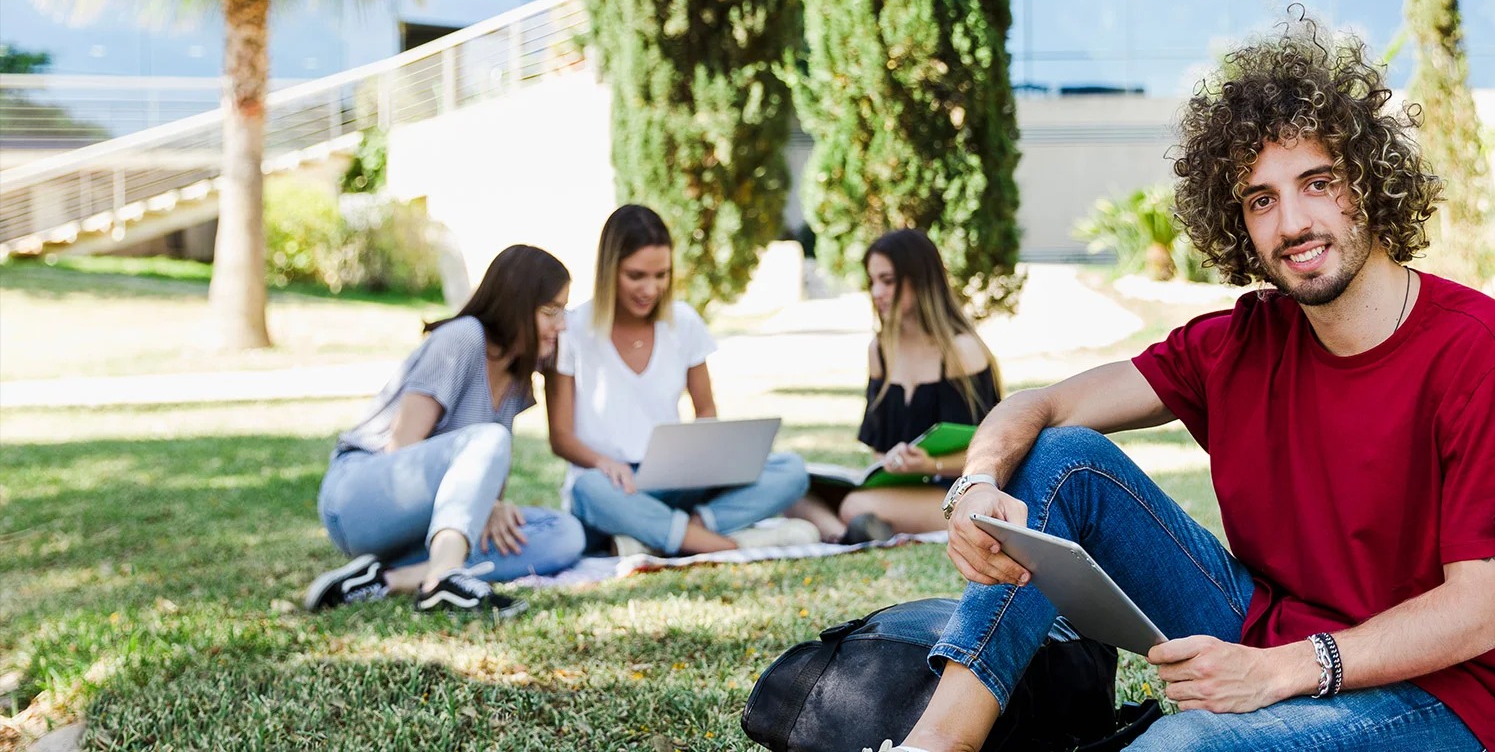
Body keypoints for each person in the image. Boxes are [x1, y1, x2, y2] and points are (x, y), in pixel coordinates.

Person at [879, 15, 1495, 752]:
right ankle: (935, 745)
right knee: (1062, 458)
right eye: (1261, 199)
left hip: (1440, 695)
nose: (1293, 222)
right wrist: (976, 484)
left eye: (1318, 183)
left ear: (1369, 185)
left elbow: (1479, 613)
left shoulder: (1493, 356)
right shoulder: (1240, 342)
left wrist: (1276, 673)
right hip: (1268, 631)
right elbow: (1040, 407)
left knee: (1177, 747)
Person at [304, 244, 587, 618]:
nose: (561, 324)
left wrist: (492, 506)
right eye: (550, 311)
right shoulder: (464, 337)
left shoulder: (517, 377)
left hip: (426, 521)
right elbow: (401, 451)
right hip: (360, 496)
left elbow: (485, 480)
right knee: (490, 437)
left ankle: (390, 578)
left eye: (564, 311)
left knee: (564, 533)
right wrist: (483, 504)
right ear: (515, 304)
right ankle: (442, 579)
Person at [546, 204, 815, 557]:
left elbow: (705, 410)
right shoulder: (572, 329)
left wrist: (706, 459)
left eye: (661, 275)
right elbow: (561, 437)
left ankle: (671, 533)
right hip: (613, 484)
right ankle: (721, 544)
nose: (651, 289)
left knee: (792, 470)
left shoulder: (683, 322)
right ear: (609, 270)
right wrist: (603, 463)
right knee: (589, 491)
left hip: (676, 479)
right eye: (636, 275)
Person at [786, 229, 1003, 544]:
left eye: (887, 281)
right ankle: (846, 535)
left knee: (854, 506)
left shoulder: (962, 351)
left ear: (921, 281)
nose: (877, 292)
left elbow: (995, 450)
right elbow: (878, 448)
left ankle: (847, 532)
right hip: (899, 488)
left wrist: (929, 465)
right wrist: (891, 462)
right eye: (872, 281)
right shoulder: (880, 351)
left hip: (957, 491)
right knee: (792, 490)